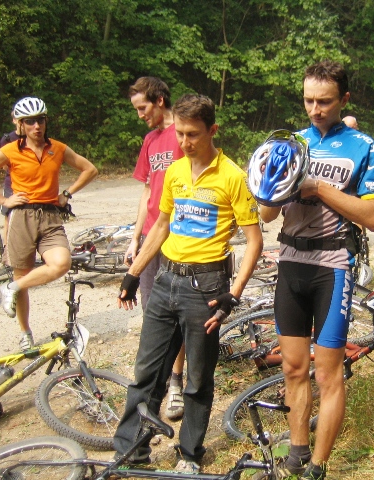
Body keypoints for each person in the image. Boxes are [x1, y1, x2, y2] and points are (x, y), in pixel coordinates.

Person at [113, 93, 263, 473]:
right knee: (147, 374)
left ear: (213, 130)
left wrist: (233, 294)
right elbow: (162, 225)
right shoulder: (176, 171)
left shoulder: (233, 176)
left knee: (197, 378)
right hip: (166, 279)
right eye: (180, 133)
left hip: (207, 288)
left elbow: (254, 241)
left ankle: (190, 454)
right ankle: (130, 454)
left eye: (193, 134)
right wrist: (134, 273)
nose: (184, 141)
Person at [258, 60, 374, 480]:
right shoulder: (292, 143)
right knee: (293, 368)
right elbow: (266, 214)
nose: (315, 109)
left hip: (332, 267)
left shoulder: (362, 145)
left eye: (325, 101)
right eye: (309, 100)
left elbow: (373, 217)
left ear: (344, 99)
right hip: (291, 263)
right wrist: (271, 185)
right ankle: (297, 452)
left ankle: (318, 466)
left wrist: (319, 188)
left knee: (328, 374)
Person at [0, 97, 98, 350]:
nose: (36, 126)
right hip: (22, 216)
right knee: (22, 274)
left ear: (46, 121)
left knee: (61, 264)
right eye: (30, 121)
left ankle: (11, 287)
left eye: (40, 120)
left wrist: (67, 194)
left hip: (50, 216)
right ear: (21, 124)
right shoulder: (11, 150)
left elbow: (90, 169)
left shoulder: (57, 148)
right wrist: (3, 200)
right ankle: (25, 332)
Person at [126, 77, 187, 421]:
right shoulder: (150, 140)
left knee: (178, 311)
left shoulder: (184, 131)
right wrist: (135, 238)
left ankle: (176, 382)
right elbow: (147, 191)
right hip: (152, 235)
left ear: (160, 100)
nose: (140, 115)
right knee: (153, 312)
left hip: (180, 235)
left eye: (143, 108)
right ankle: (153, 385)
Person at [0, 112, 19, 246]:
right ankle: (6, 249)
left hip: (30, 185)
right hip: (11, 183)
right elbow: (3, 165)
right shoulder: (7, 139)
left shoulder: (35, 138)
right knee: (8, 217)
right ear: (14, 120)